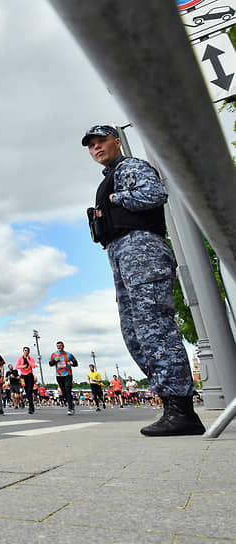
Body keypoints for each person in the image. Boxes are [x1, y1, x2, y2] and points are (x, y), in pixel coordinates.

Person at [83, 124, 203, 436]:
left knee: (155, 326)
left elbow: (154, 194)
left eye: (101, 142)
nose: (96, 148)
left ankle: (182, 409)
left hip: (142, 249)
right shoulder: (111, 174)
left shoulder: (130, 167)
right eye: (91, 145)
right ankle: (170, 402)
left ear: (117, 142)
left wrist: (116, 198)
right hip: (122, 252)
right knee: (135, 330)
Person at [49, 341, 79, 415]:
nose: (59, 347)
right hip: (59, 375)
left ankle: (70, 408)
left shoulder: (68, 354)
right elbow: (50, 364)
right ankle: (71, 404)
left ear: (63, 346)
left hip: (68, 375)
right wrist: (55, 361)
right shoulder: (54, 355)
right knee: (64, 392)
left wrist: (71, 364)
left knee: (68, 390)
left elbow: (76, 363)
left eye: (60, 346)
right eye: (58, 346)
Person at [15, 347, 37, 415]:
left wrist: (28, 360)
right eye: (25, 350)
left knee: (30, 391)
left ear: (29, 352)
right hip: (23, 377)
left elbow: (33, 366)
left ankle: (31, 407)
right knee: (27, 392)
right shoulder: (20, 359)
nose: (26, 352)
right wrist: (23, 366)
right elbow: (16, 366)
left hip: (30, 375)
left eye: (27, 351)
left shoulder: (31, 359)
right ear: (23, 351)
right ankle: (31, 406)